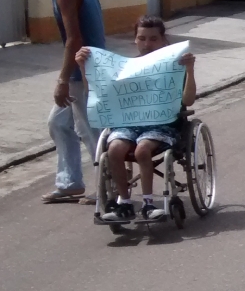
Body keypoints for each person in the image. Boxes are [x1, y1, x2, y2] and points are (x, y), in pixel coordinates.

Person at [76, 16, 196, 222]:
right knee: (113, 149)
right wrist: (83, 67)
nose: (147, 44)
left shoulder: (175, 65)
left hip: (162, 124)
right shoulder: (123, 69)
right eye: (142, 38)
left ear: (163, 40)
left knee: (142, 150)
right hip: (128, 124)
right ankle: (124, 201)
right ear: (135, 40)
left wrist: (190, 69)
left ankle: (148, 203)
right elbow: (100, 96)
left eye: (153, 39)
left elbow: (188, 100)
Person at [34, 0, 107, 205]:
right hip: (91, 65)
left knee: (89, 130)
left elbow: (73, 38)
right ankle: (70, 183)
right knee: (58, 123)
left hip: (83, 71)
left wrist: (63, 80)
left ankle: (106, 188)